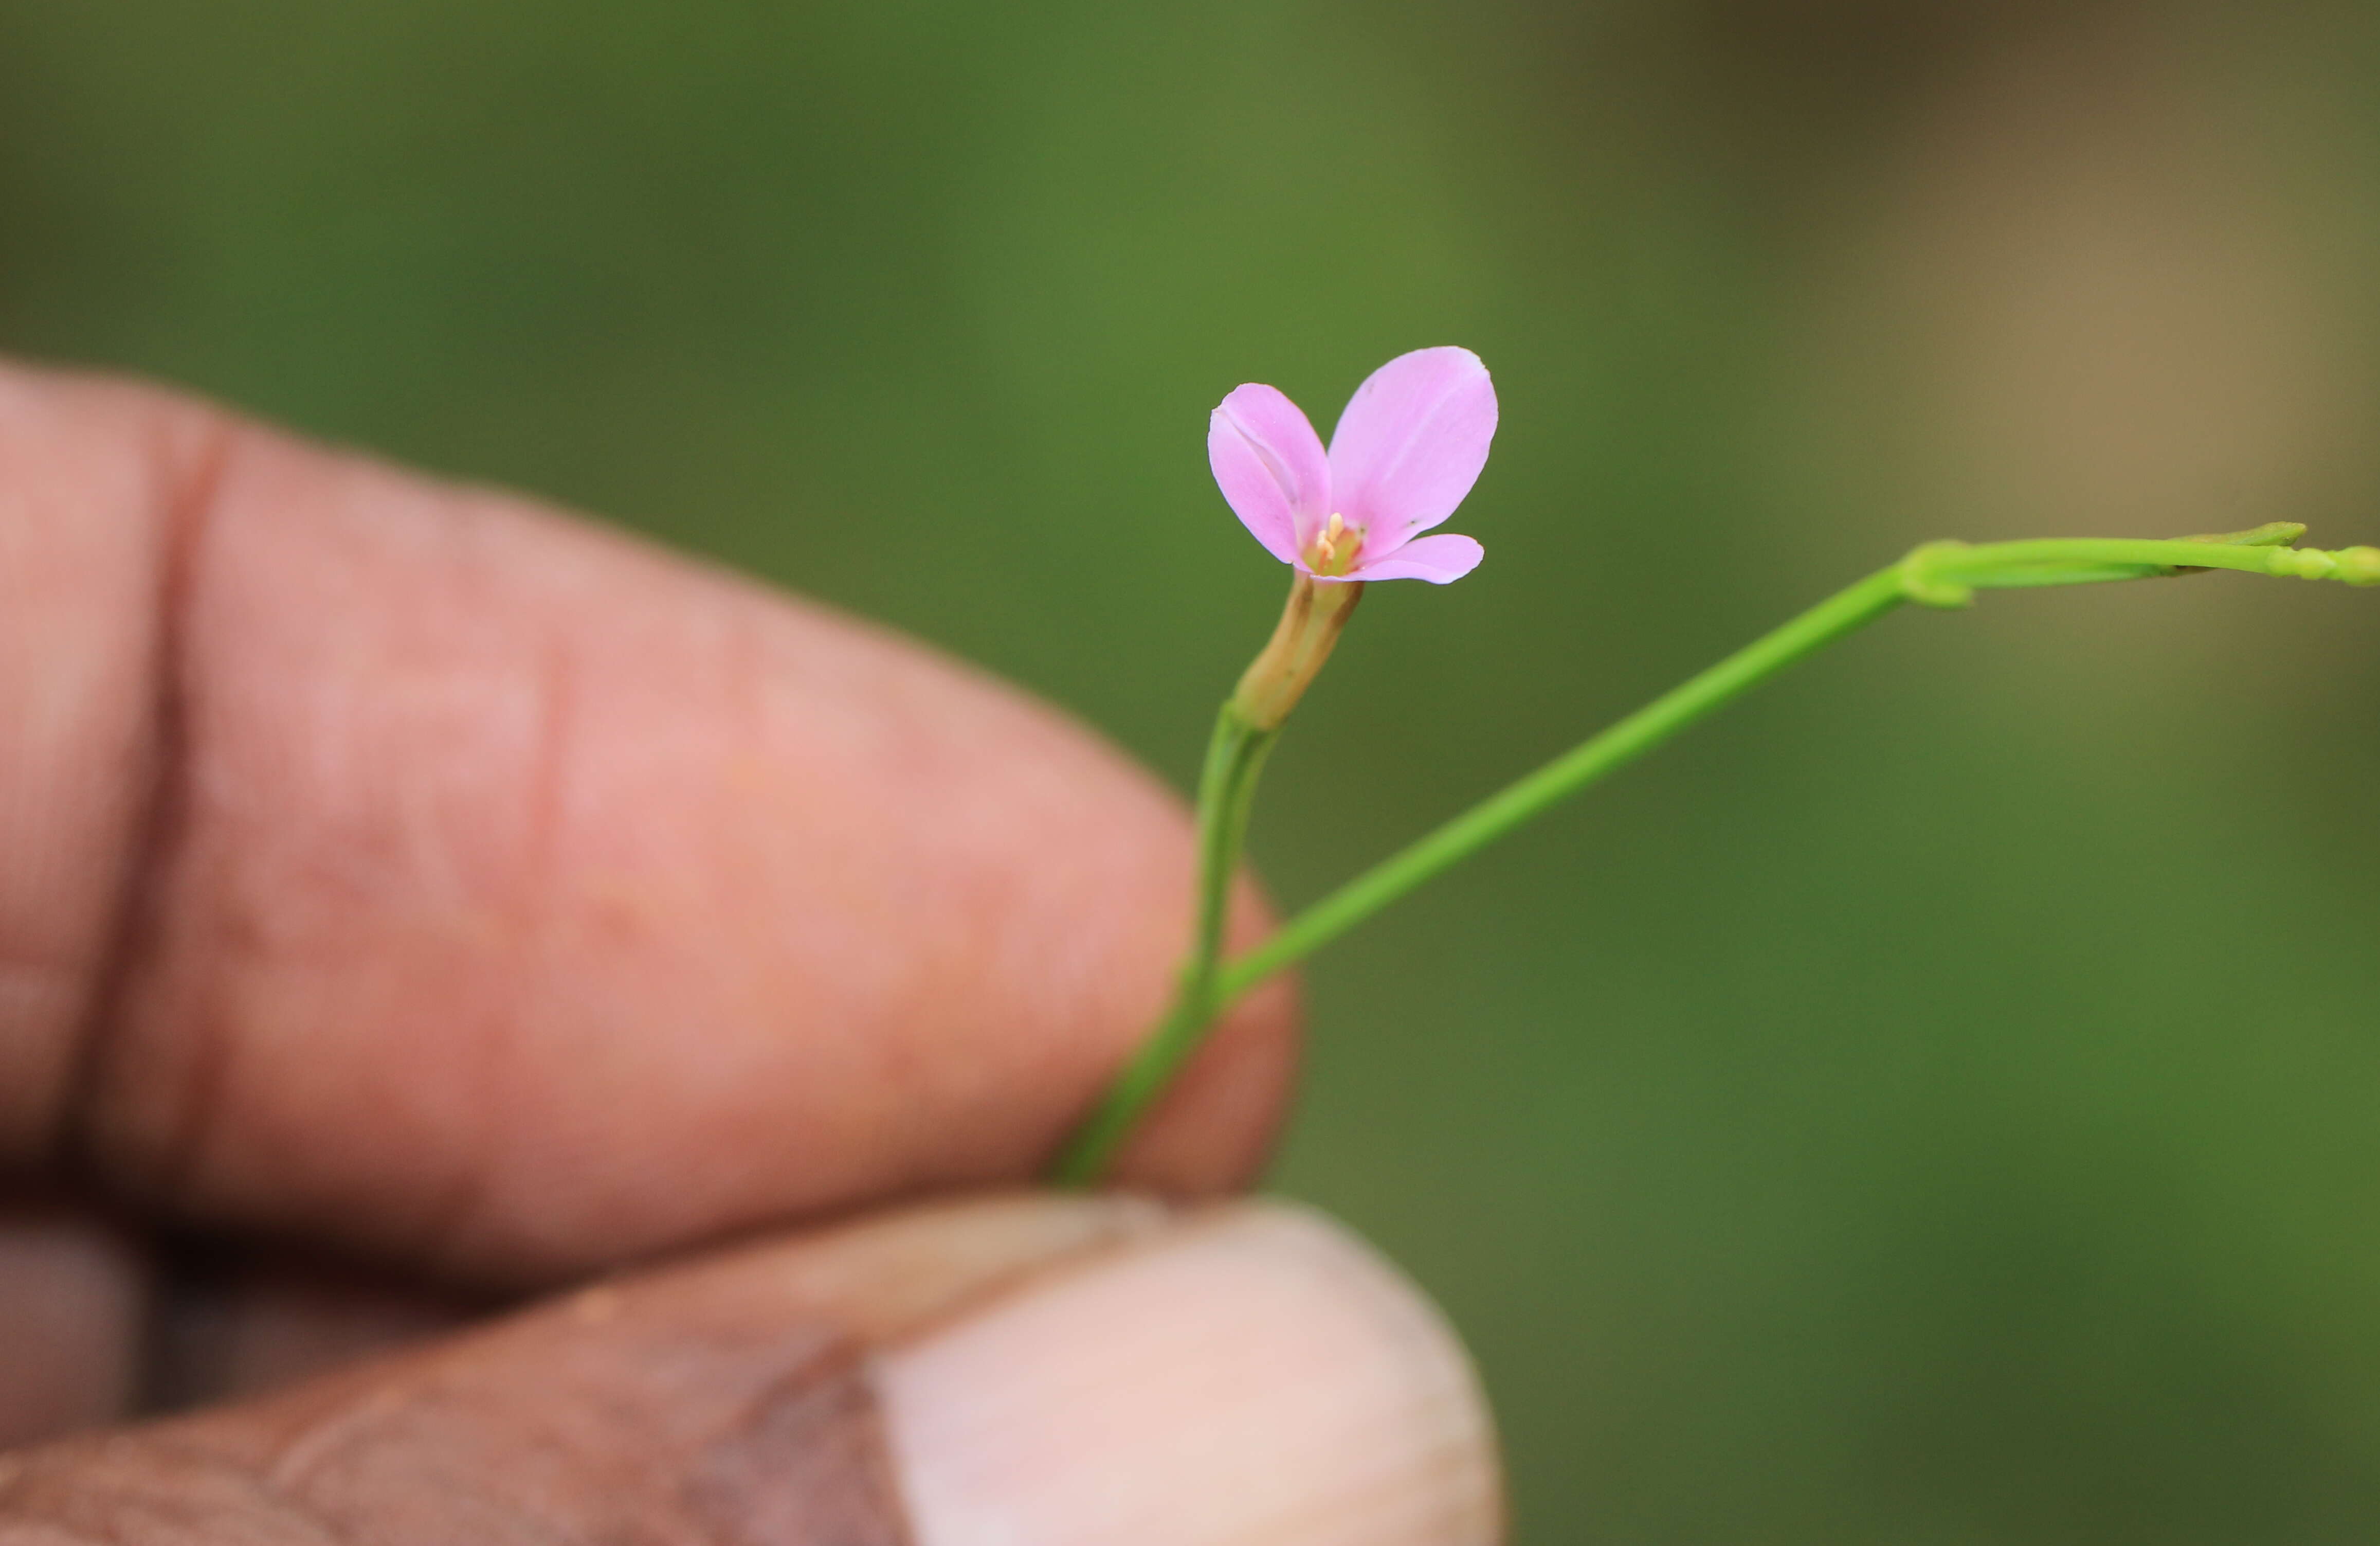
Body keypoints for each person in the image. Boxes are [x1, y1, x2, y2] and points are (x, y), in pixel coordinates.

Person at [0, 362, 1501, 1544]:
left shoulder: (1347, 529)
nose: (1336, 542)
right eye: (1328, 536)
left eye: (1346, 549)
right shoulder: (1287, 501)